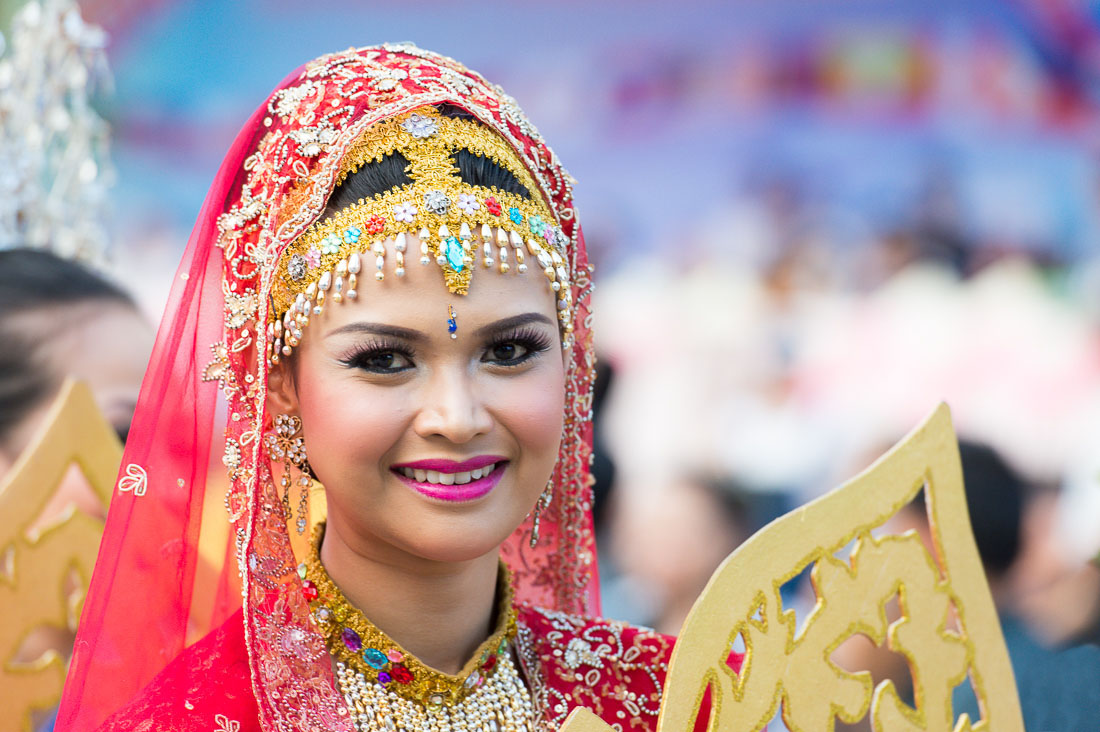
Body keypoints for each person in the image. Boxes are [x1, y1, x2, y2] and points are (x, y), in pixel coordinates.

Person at [58, 45, 682, 732]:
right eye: (385, 360)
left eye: (509, 350)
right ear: (281, 384)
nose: (457, 416)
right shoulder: (194, 721)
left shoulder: (677, 699)